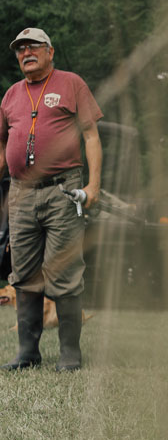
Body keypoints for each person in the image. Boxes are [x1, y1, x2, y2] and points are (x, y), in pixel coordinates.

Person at [0, 27, 103, 372]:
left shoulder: (71, 83)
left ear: (50, 51)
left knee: (64, 271)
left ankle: (70, 354)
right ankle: (28, 352)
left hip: (62, 190)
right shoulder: (11, 94)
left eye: (34, 47)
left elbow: (91, 135)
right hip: (21, 192)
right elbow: (3, 144)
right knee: (24, 273)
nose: (26, 52)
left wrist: (94, 185)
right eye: (21, 49)